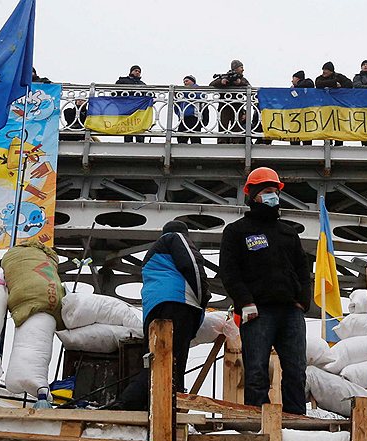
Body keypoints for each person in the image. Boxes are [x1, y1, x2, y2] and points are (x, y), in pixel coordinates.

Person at [219, 167, 311, 415]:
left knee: (295, 370)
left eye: (275, 192)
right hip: (257, 312)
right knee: (257, 371)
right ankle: (257, 420)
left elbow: (303, 269)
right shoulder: (237, 231)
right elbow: (229, 271)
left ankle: (296, 420)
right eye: (268, 192)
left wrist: (303, 301)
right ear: (254, 195)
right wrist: (245, 301)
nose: (274, 197)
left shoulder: (287, 232)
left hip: (290, 313)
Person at [108, 220, 210, 410]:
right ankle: (166, 406)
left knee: (156, 360)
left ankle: (139, 403)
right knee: (175, 360)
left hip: (155, 310)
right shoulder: (176, 237)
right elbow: (192, 266)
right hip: (178, 302)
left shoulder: (152, 255)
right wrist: (203, 298)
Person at [210, 60, 252, 144]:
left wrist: (240, 83)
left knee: (237, 126)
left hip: (238, 106)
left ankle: (235, 142)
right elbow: (211, 84)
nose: (243, 69)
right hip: (224, 106)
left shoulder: (242, 79)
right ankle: (222, 143)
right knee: (223, 125)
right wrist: (221, 82)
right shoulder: (225, 76)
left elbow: (250, 88)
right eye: (241, 67)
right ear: (235, 68)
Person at [116, 65, 147, 143]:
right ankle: (128, 143)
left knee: (139, 126)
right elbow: (116, 92)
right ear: (131, 71)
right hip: (127, 108)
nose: (137, 73)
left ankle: (140, 143)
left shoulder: (142, 84)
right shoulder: (123, 81)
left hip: (138, 110)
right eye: (136, 71)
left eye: (139, 72)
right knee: (127, 127)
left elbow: (147, 94)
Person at [177, 75, 208, 144]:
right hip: (183, 118)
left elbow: (196, 96)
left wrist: (182, 92)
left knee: (195, 138)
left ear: (193, 81)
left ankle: (197, 153)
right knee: (181, 138)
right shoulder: (183, 93)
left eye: (187, 81)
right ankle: (181, 153)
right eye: (184, 81)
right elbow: (178, 105)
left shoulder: (198, 90)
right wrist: (178, 113)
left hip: (194, 117)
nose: (185, 83)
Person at [289, 71, 314, 146]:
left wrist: (296, 86)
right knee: (295, 139)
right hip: (295, 117)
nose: (292, 81)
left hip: (305, 116)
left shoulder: (307, 83)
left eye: (293, 78)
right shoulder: (293, 90)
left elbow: (310, 84)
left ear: (297, 78)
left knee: (306, 139)